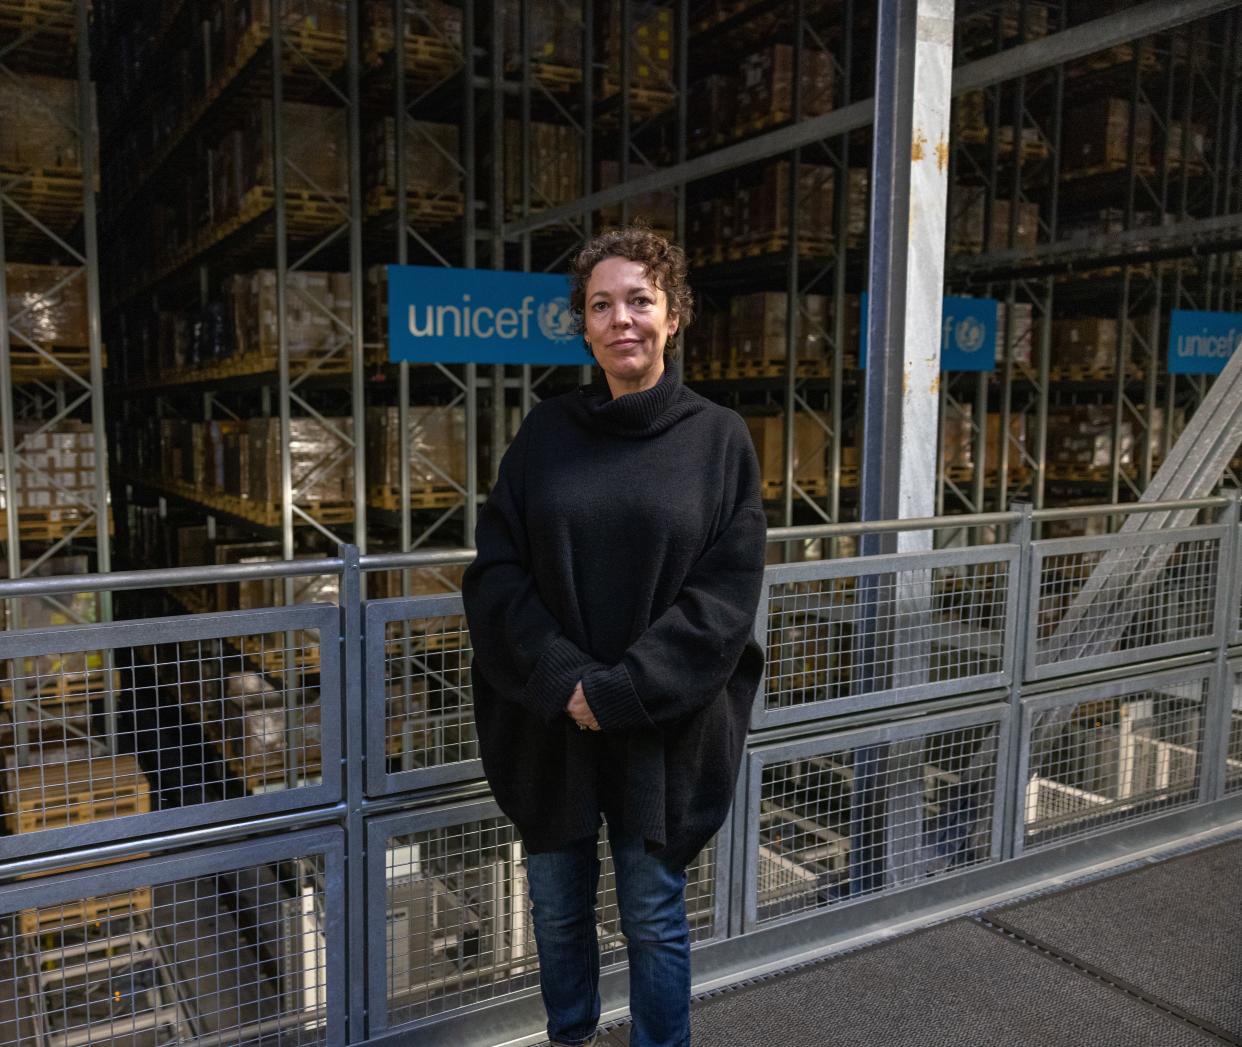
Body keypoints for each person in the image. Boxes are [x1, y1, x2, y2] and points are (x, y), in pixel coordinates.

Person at [462, 226, 767, 1047]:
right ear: (584, 324)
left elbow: (725, 594)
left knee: (652, 916)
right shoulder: (544, 436)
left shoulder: (718, 440)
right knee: (558, 911)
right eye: (602, 305)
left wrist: (621, 692)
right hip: (551, 716)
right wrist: (568, 682)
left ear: (674, 316)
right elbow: (496, 574)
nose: (620, 318)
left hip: (659, 723)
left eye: (640, 300)